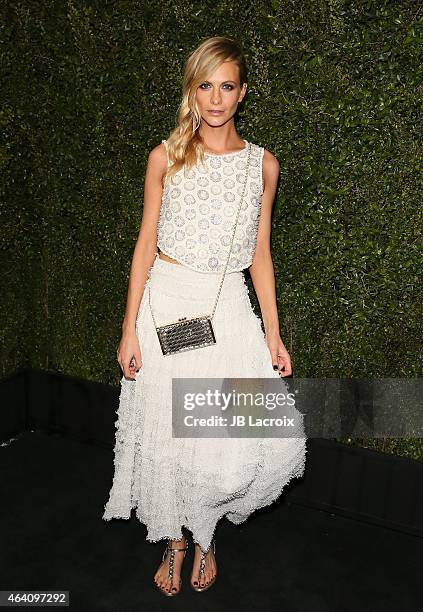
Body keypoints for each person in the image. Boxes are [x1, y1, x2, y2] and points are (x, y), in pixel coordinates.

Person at [102, 35, 307, 596]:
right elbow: (144, 245)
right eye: (205, 85)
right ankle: (175, 542)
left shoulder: (261, 166)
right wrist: (127, 329)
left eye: (227, 86)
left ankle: (206, 533)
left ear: (243, 94)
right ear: (192, 91)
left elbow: (260, 254)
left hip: (228, 312)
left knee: (220, 438)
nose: (215, 98)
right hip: (165, 305)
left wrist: (274, 334)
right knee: (171, 434)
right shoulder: (164, 157)